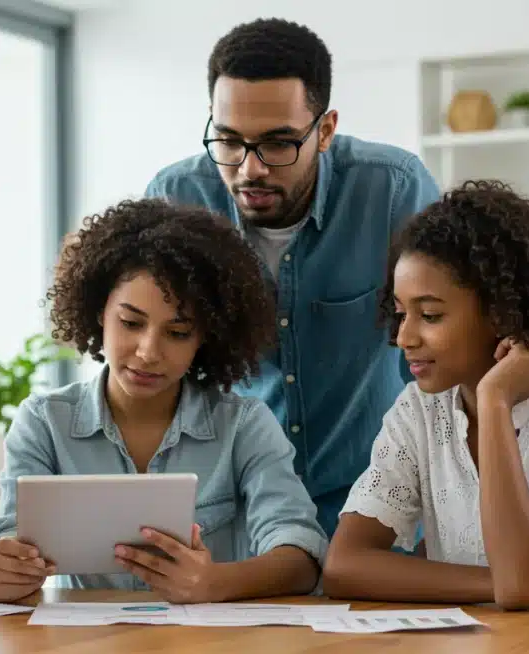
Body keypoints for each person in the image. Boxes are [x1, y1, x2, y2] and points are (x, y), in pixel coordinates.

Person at [144, 18, 441, 537]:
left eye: (278, 143)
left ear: (324, 130)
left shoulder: (393, 189)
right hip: (238, 510)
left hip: (377, 506)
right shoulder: (175, 199)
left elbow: (447, 342)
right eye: (229, 141)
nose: (249, 168)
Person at [0, 198, 327, 604]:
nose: (148, 352)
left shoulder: (243, 425)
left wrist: (215, 583)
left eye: (177, 333)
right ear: (98, 311)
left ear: (206, 337)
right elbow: (6, 541)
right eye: (131, 323)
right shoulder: (44, 422)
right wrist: (7, 569)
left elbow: (302, 555)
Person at [323, 180, 529, 609]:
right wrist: (502, 582)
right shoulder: (417, 412)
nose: (404, 337)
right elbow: (344, 566)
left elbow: (523, 586)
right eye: (400, 313)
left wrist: (494, 401)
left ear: (502, 312)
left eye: (430, 315)